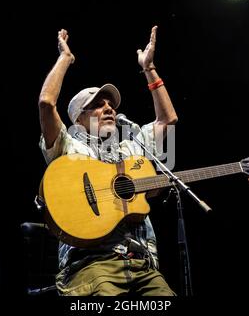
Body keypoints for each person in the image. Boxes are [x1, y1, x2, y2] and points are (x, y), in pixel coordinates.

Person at [37, 26, 178, 296]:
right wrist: (65, 58)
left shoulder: (131, 149)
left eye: (110, 104)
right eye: (98, 104)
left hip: (143, 265)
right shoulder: (68, 147)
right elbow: (46, 102)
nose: (109, 108)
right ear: (79, 118)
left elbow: (167, 120)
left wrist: (149, 68)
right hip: (91, 264)